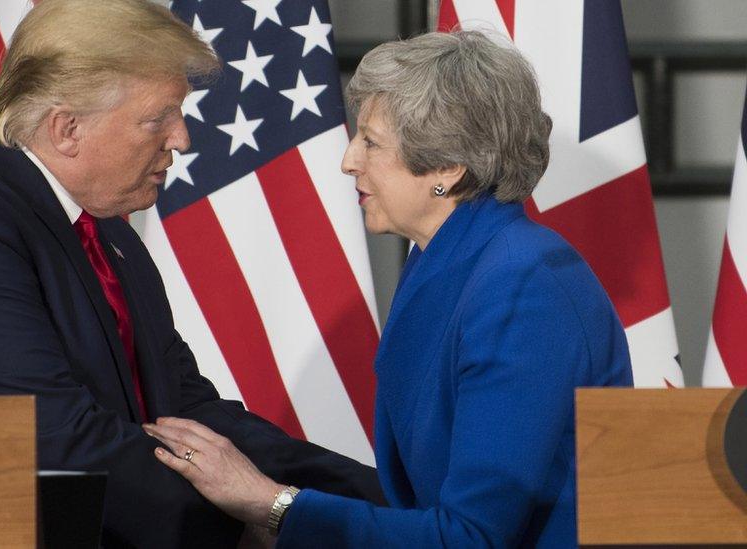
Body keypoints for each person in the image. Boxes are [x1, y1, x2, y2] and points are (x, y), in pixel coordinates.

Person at [0, 0, 384, 546]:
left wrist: (367, 504)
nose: (182, 138)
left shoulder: (101, 224)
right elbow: (51, 443)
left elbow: (186, 412)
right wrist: (259, 522)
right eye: (158, 118)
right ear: (67, 129)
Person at [143, 30, 634, 548]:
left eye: (371, 142)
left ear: (446, 168)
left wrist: (273, 505)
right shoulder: (447, 257)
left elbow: (471, 538)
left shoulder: (523, 290)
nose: (348, 159)